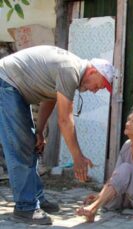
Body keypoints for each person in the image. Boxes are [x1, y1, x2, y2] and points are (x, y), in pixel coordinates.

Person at [0, 45, 115, 225]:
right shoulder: (70, 70)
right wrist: (77, 157)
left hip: (13, 88)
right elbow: (65, 120)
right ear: (93, 71)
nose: (95, 90)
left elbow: (49, 98)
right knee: (20, 149)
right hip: (6, 83)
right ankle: (25, 207)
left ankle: (34, 198)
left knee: (30, 144)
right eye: (99, 85)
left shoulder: (71, 71)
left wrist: (39, 131)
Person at [76, 104, 133, 223]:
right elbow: (115, 178)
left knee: (125, 168)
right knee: (108, 199)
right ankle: (95, 205)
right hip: (131, 198)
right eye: (128, 119)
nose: (128, 123)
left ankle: (93, 209)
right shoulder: (126, 146)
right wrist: (99, 196)